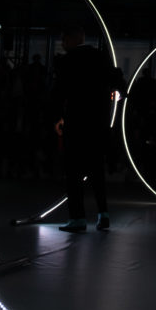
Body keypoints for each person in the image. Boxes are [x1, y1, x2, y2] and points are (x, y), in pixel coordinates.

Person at [52, 26, 124, 233]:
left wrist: (57, 117)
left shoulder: (68, 60)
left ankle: (78, 218)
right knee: (96, 169)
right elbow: (117, 79)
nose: (63, 43)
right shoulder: (99, 56)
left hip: (77, 122)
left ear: (75, 38)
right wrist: (119, 94)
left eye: (65, 39)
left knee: (74, 171)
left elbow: (59, 92)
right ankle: (103, 214)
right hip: (98, 123)